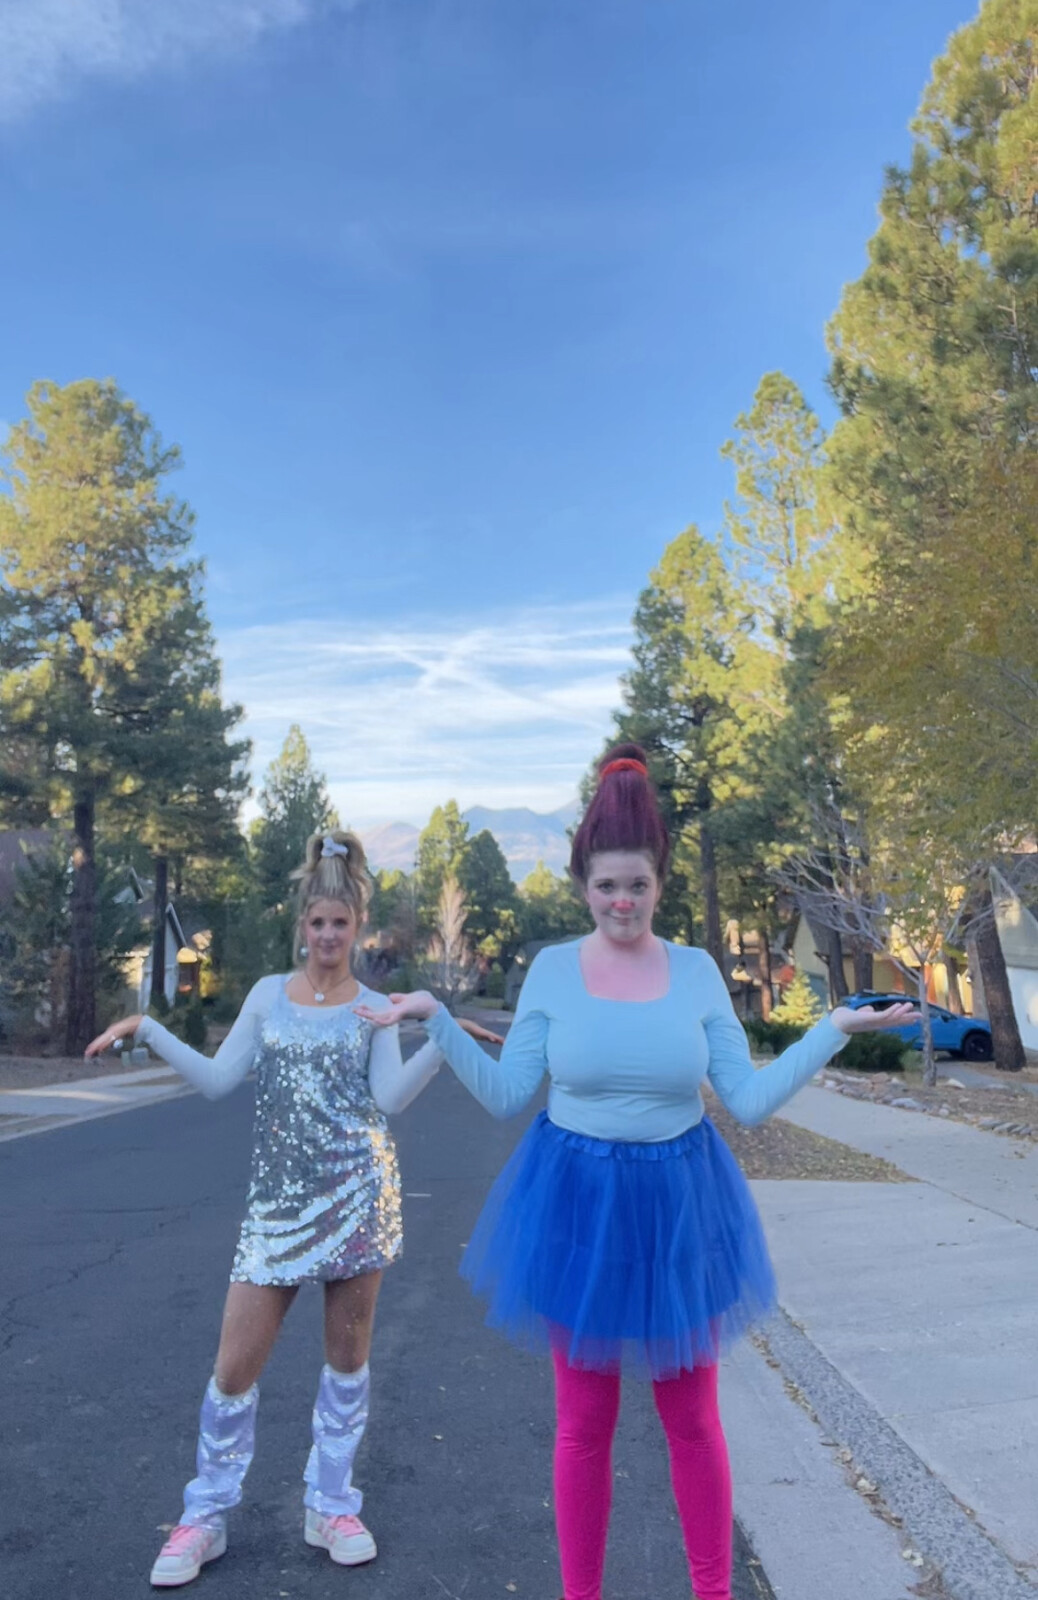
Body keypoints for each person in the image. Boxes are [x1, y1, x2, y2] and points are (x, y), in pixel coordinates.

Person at [359, 746, 916, 1600]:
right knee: (584, 1422)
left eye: (638, 886)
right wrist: (438, 1019)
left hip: (679, 1205)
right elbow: (507, 1095)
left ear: (661, 882)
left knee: (691, 1420)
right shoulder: (554, 970)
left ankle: (713, 1592)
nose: (622, 902)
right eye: (606, 886)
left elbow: (747, 1100)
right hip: (575, 1203)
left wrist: (830, 1030)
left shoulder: (696, 973)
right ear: (583, 884)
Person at [86, 830, 501, 1589]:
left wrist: (439, 1038)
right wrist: (149, 1029)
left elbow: (388, 1100)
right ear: (302, 925)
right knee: (233, 1369)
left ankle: (331, 1504)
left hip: (358, 1198)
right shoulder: (267, 996)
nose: (329, 935)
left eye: (341, 923)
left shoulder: (375, 1007)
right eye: (318, 922)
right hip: (276, 1209)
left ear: (358, 927)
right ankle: (205, 1514)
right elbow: (219, 1080)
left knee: (347, 1362)